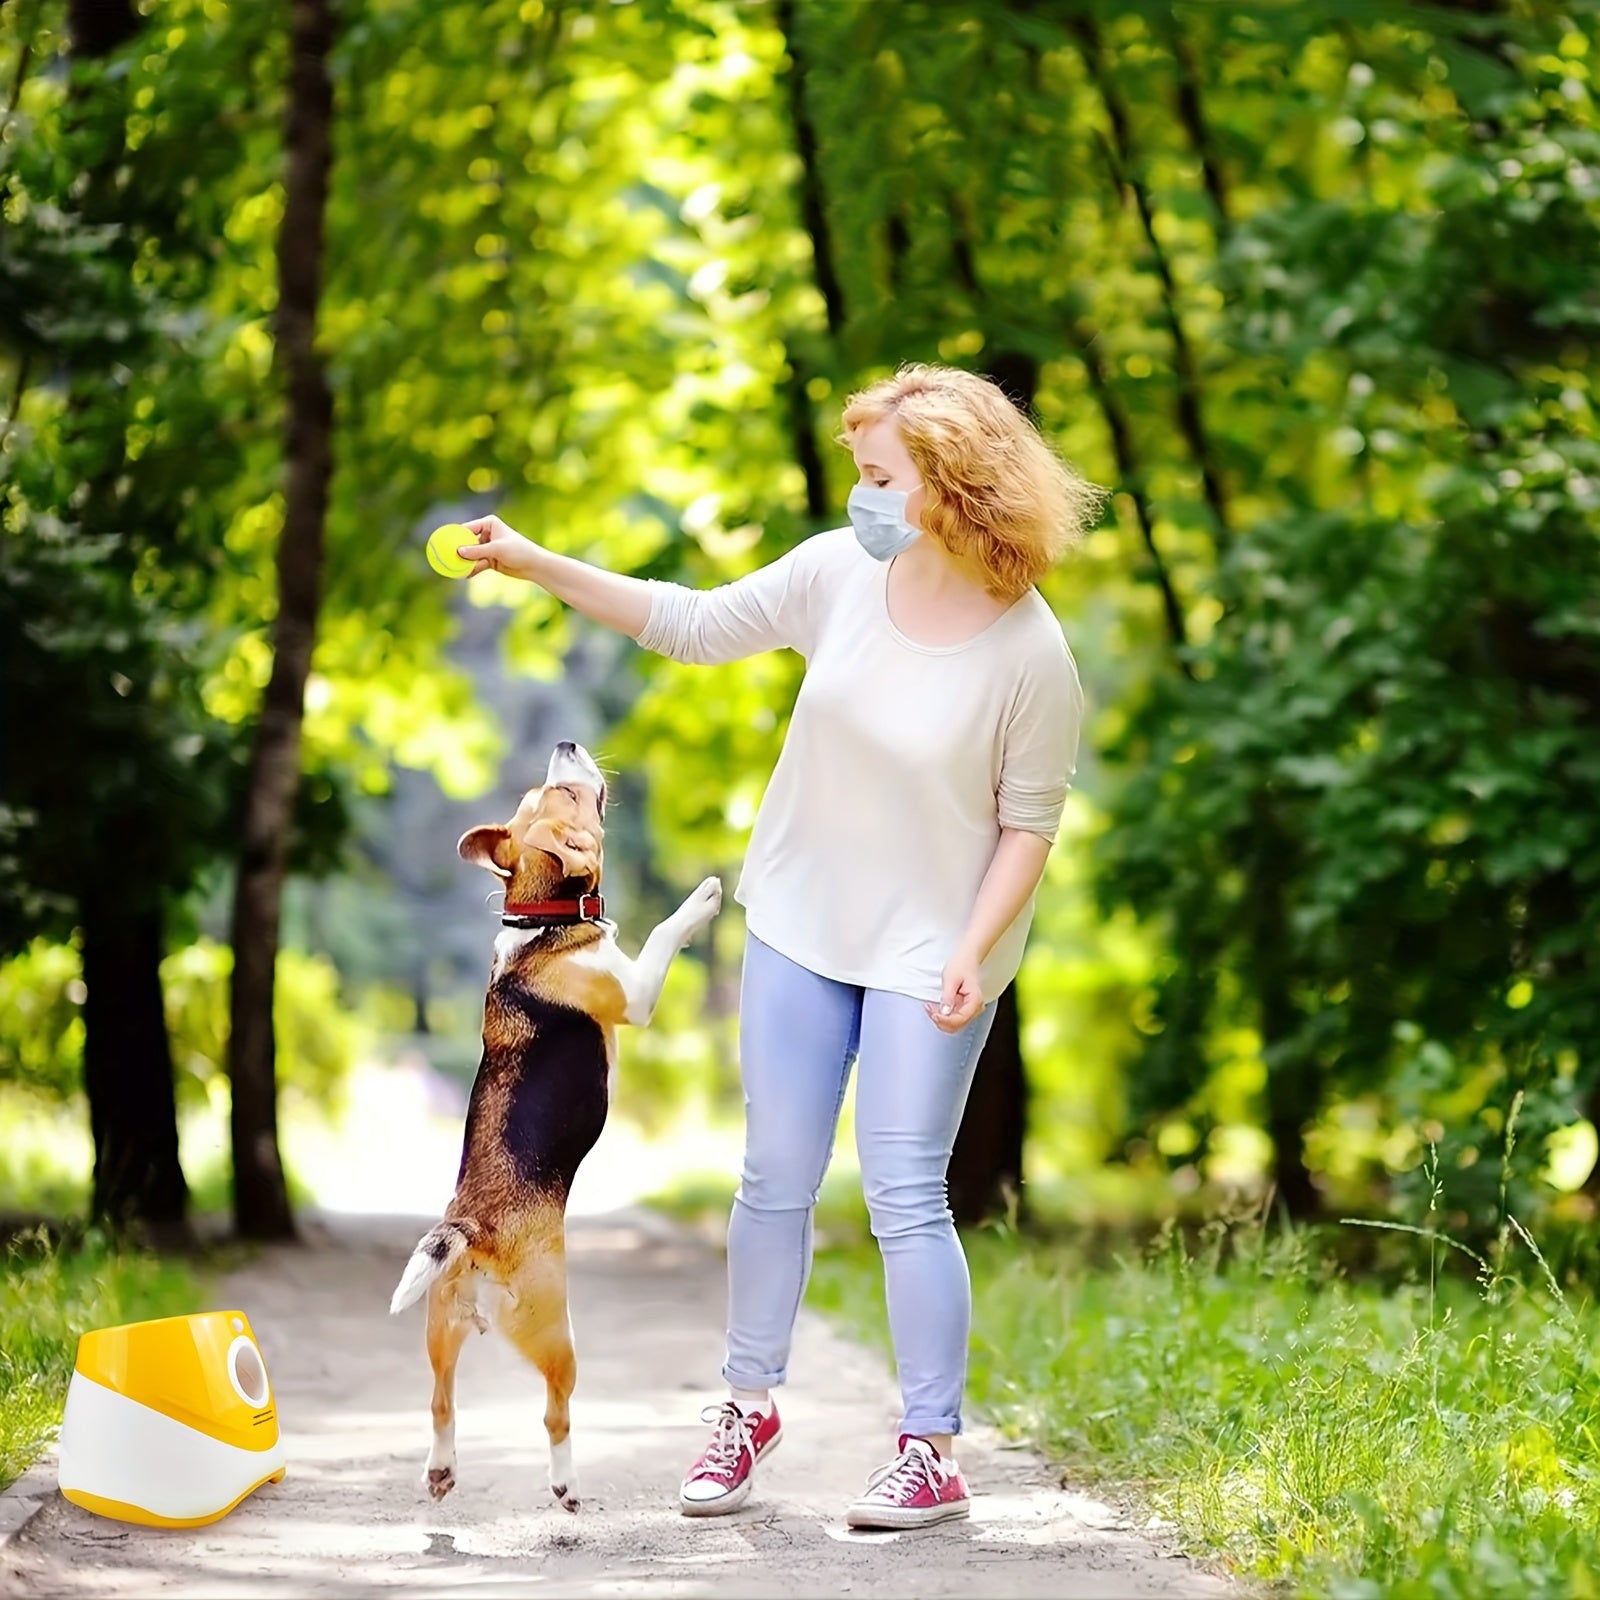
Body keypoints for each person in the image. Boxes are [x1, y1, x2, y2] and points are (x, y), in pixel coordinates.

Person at [457, 363, 1102, 1530]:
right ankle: (745, 1407)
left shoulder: (1029, 653)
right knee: (773, 1179)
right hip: (804, 918)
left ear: (950, 483)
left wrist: (973, 945)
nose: (859, 494)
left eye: (877, 475)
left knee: (907, 1193)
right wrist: (532, 560)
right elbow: (692, 624)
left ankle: (929, 1446)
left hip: (933, 951)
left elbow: (1028, 826)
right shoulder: (840, 574)